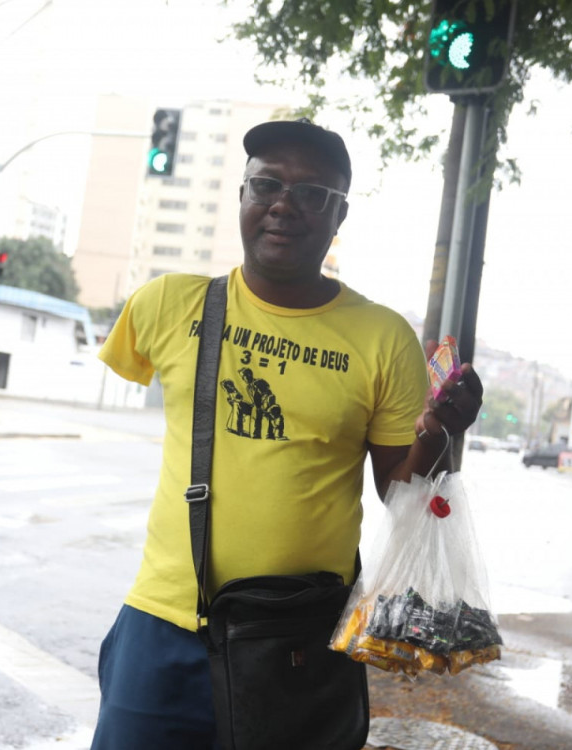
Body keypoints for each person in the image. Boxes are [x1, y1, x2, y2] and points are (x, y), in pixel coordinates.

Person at [90, 118, 483, 749]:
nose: (283, 205)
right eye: (266, 184)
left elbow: (398, 492)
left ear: (339, 216)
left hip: (298, 639)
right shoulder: (168, 304)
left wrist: (439, 430)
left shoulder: (380, 337)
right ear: (241, 196)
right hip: (163, 626)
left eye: (311, 194)